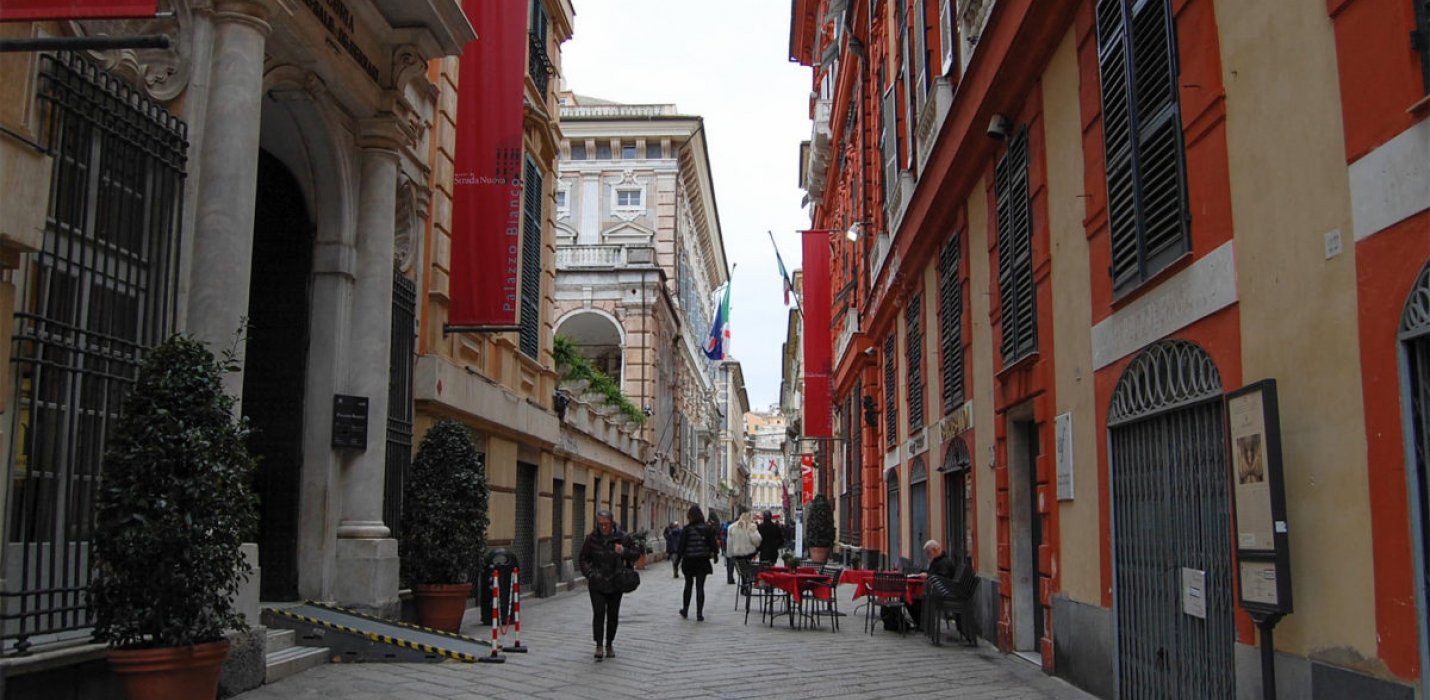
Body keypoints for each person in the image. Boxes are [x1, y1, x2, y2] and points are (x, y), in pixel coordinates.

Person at [578, 510, 638, 661]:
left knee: (613, 615)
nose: (603, 527)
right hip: (597, 582)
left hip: (615, 582)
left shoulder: (623, 537)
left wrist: (623, 551)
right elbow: (583, 558)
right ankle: (598, 645)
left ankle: (609, 643)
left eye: (605, 524)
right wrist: (590, 573)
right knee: (598, 613)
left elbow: (636, 553)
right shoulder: (592, 538)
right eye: (600, 524)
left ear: (612, 523)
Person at [676, 505, 718, 621]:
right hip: (702, 561)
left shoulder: (687, 529)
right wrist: (715, 555)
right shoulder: (706, 528)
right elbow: (713, 543)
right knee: (700, 587)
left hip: (689, 561)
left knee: (688, 585)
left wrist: (677, 562)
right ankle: (699, 614)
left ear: (689, 516)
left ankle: (685, 610)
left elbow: (681, 547)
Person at [725, 511, 762, 576]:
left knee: (742, 568)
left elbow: (729, 543)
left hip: (737, 554)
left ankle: (743, 579)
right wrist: (757, 546)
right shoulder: (751, 526)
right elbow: (756, 540)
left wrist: (730, 554)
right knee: (748, 566)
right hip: (749, 553)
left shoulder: (732, 527)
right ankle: (747, 578)